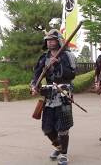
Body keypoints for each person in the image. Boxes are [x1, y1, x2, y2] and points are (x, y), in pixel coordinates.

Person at [30, 29, 76, 165]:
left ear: (59, 41)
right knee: (47, 128)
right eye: (48, 40)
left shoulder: (68, 56)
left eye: (52, 40)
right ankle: (59, 146)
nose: (50, 43)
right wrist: (34, 85)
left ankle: (64, 154)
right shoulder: (44, 57)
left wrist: (58, 64)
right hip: (49, 95)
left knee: (63, 127)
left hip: (63, 93)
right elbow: (37, 75)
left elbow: (72, 75)